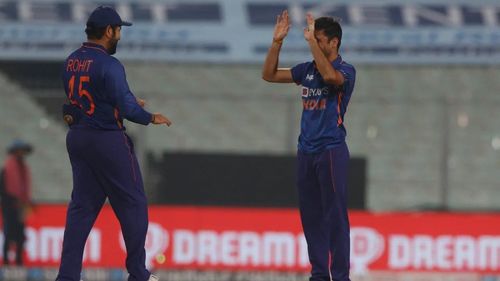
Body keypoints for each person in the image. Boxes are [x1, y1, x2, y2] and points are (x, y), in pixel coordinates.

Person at [56, 6, 171, 281]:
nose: (119, 35)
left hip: (78, 138)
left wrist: (123, 104)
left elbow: (87, 101)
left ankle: (67, 276)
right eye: (118, 30)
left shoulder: (71, 60)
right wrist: (149, 116)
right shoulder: (110, 63)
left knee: (81, 208)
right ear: (108, 31)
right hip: (107, 139)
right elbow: (127, 107)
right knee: (133, 202)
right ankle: (138, 273)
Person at [262, 11, 356, 281]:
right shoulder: (306, 70)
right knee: (312, 218)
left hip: (331, 150)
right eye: (313, 40)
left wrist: (311, 43)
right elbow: (268, 74)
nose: (314, 43)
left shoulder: (346, 71)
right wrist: (277, 42)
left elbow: (330, 78)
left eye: (319, 40)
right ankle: (318, 275)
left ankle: (340, 276)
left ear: (334, 43)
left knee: (335, 216)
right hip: (306, 152)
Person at [1, 139, 33, 266]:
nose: (22, 153)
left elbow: (25, 187)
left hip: (20, 205)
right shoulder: (9, 167)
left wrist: (24, 202)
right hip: (10, 204)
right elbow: (7, 188)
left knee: (20, 234)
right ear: (15, 151)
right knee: (9, 231)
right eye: (20, 151)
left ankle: (19, 260)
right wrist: (15, 200)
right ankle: (6, 261)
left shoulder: (23, 167)